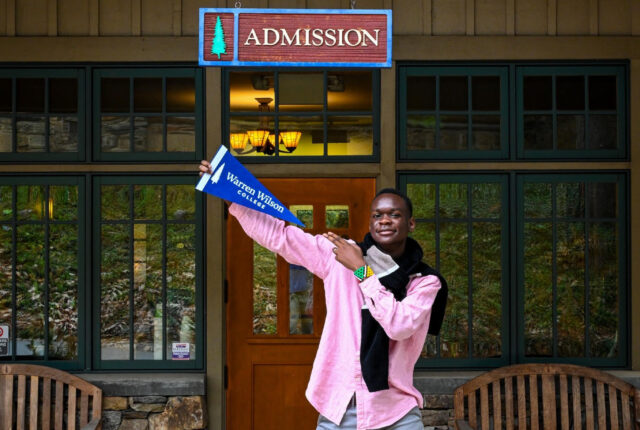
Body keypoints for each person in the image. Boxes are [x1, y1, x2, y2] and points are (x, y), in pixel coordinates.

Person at [199, 160, 448, 430]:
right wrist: (232, 195)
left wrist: (362, 272)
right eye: (377, 215)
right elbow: (280, 236)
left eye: (394, 214)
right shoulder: (339, 255)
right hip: (339, 407)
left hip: (394, 411)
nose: (385, 220)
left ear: (410, 223)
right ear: (370, 222)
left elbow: (398, 326)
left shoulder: (424, 282)